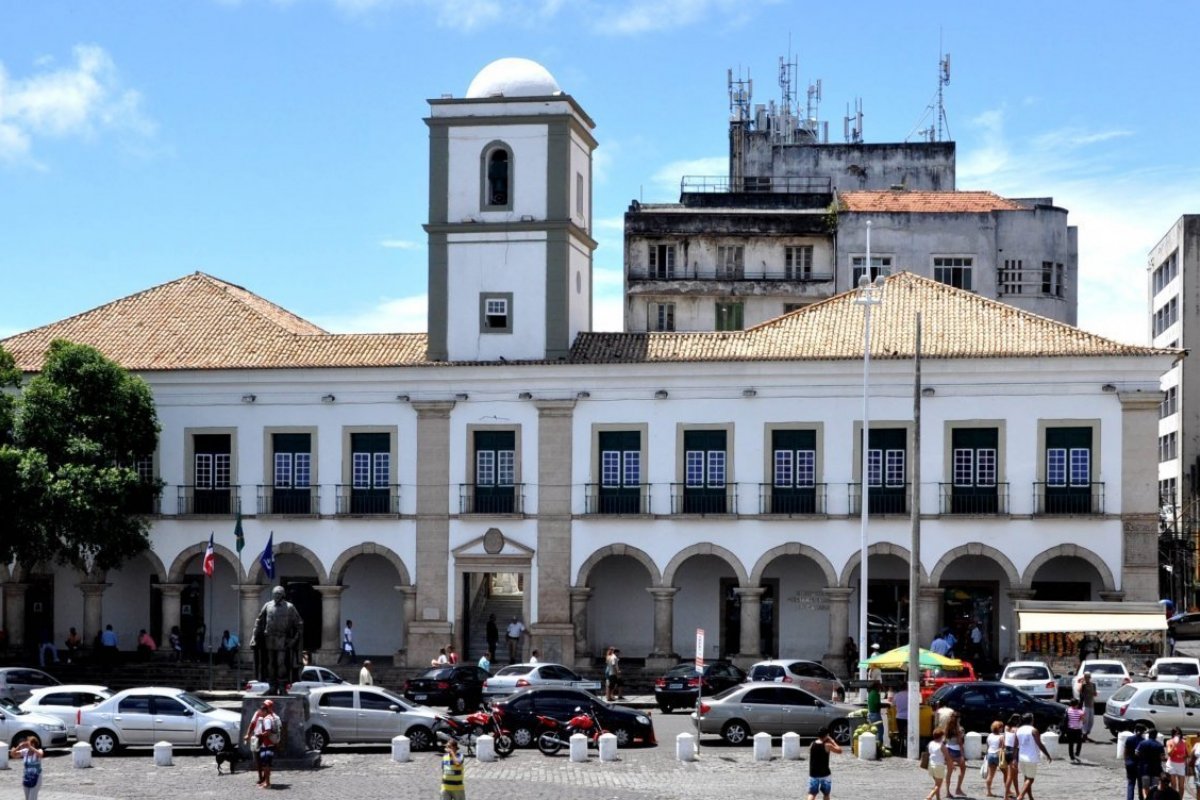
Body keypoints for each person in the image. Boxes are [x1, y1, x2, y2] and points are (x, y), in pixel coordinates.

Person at [252, 586, 304, 695]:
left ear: (283, 595)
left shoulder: (289, 607)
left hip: (282, 639)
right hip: (269, 638)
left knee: (281, 663)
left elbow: (299, 624)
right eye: (275, 594)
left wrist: (294, 640)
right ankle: (272, 687)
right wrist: (254, 636)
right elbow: (259, 621)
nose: (276, 596)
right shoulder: (267, 605)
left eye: (279, 594)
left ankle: (282, 687)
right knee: (270, 663)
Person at [245, 698, 282, 789]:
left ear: (268, 708)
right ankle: (262, 779)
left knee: (266, 763)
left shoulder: (271, 718)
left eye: (265, 707)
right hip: (260, 741)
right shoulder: (260, 714)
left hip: (266, 742)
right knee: (260, 761)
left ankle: (267, 782)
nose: (262, 708)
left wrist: (260, 735)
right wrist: (248, 734)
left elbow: (274, 731)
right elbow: (252, 724)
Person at [1015, 712, 1052, 800]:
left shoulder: (1018, 730)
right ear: (1031, 720)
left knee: (1026, 778)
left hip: (1021, 757)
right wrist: (1048, 755)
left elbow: (1015, 745)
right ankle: (1020, 797)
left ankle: (1031, 797)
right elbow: (1040, 744)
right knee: (1030, 779)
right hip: (1031, 758)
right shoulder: (1033, 730)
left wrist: (1014, 759)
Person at [805, 724, 843, 800]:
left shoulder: (812, 744)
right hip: (825, 773)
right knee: (826, 794)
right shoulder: (827, 745)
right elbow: (839, 750)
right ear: (826, 735)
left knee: (812, 794)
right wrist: (832, 741)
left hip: (813, 773)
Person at [10, 735, 43, 800]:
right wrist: (19, 746)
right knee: (27, 798)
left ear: (33, 744)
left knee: (32, 798)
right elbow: (13, 754)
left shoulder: (39, 750)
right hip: (27, 778)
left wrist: (31, 747)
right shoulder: (25, 751)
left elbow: (40, 754)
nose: (28, 746)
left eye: (29, 744)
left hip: (36, 778)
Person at [1137, 728, 1167, 800]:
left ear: (1149, 735)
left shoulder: (1143, 743)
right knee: (1154, 789)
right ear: (1156, 736)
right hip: (1156, 770)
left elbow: (1137, 753)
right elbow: (1162, 758)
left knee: (1145, 788)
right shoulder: (1159, 745)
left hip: (1145, 769)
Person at [944, 710, 967, 798]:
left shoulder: (947, 727)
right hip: (956, 750)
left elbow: (945, 739)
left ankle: (947, 792)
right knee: (963, 769)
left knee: (949, 772)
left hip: (948, 749)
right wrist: (962, 755)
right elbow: (960, 743)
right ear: (958, 719)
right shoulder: (959, 729)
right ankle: (958, 788)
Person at [1125, 724, 1147, 800]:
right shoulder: (1144, 741)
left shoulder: (1129, 739)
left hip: (1130, 763)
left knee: (1130, 783)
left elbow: (1126, 751)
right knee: (1140, 784)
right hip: (1139, 765)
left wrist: (1126, 761)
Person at [926, 728, 950, 800]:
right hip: (939, 766)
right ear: (941, 736)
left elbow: (930, 753)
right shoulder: (942, 746)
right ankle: (930, 796)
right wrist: (951, 765)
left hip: (931, 765)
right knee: (938, 785)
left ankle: (938, 798)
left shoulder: (931, 743)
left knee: (936, 783)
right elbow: (947, 757)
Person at [985, 720, 1004, 798]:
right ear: (999, 728)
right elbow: (1002, 747)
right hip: (997, 755)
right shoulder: (1001, 737)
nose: (1002, 729)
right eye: (1001, 727)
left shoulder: (989, 735)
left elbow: (988, 746)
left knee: (990, 775)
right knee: (1007, 774)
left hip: (990, 754)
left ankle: (988, 791)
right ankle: (1008, 790)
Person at [1004, 714, 1021, 800]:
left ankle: (1018, 793)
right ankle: (1005, 796)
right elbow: (1016, 743)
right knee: (1011, 775)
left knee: (1014, 775)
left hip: (1006, 751)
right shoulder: (1017, 730)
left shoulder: (1006, 727)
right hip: (1014, 751)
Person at [1166, 727, 1188, 795]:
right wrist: (1174, 745)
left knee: (1181, 786)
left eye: (1178, 734)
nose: (1177, 735)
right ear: (1173, 734)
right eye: (1175, 734)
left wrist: (1183, 756)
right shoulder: (1169, 741)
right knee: (1173, 785)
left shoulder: (1184, 742)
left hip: (1181, 765)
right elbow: (1169, 754)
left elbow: (1187, 754)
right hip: (1172, 764)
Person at [1078, 672, 1097, 742]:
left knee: (1091, 721)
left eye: (1088, 677)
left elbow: (1095, 694)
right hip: (1085, 704)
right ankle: (1084, 734)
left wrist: (1094, 693)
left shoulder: (1093, 685)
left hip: (1091, 704)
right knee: (1085, 720)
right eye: (1086, 677)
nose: (1087, 678)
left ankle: (1087, 732)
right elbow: (1080, 692)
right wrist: (1082, 684)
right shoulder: (1083, 685)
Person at [1064, 698, 1085, 763]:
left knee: (1071, 744)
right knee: (1079, 742)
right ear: (1077, 704)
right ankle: (1076, 754)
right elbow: (1083, 721)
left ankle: (1072, 758)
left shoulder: (1068, 710)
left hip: (1069, 729)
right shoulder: (1080, 712)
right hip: (1078, 730)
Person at [893, 685, 909, 755]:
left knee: (901, 734)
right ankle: (908, 748)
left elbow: (893, 704)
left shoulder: (896, 695)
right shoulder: (910, 694)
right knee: (909, 733)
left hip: (899, 717)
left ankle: (901, 749)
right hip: (909, 717)